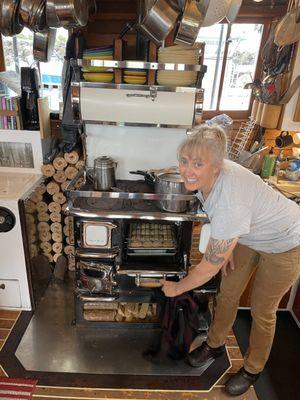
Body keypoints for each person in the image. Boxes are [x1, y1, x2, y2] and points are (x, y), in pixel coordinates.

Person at [160, 124, 300, 396]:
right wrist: (229, 242)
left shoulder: (229, 198)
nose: (187, 170)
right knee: (227, 292)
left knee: (262, 310)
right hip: (251, 236)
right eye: (184, 161)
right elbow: (226, 223)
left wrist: (176, 288)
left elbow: (208, 268)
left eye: (198, 164)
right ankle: (214, 344)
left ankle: (253, 368)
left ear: (216, 166)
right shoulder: (205, 181)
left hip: (287, 241)